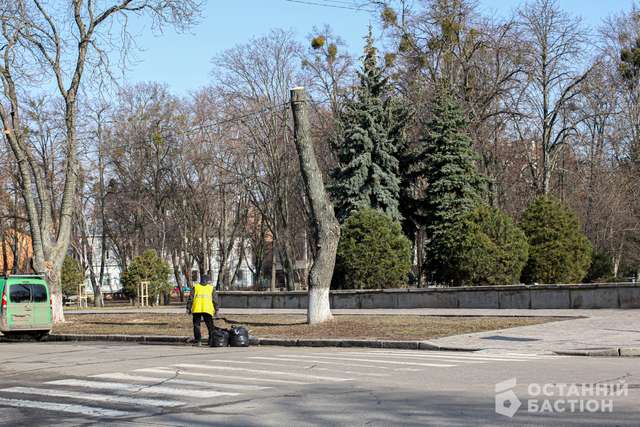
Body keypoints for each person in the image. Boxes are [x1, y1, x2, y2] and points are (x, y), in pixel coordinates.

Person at [187, 275, 216, 346]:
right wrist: (217, 309)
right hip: (208, 309)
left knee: (197, 325)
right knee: (210, 326)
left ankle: (198, 341)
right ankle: (211, 340)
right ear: (207, 280)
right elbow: (215, 300)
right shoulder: (211, 288)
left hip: (197, 308)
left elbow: (191, 298)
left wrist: (188, 308)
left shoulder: (196, 287)